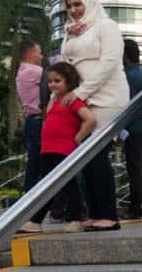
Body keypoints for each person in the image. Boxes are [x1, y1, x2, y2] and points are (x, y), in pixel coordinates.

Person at [61, 0, 130, 232]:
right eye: (69, 6)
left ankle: (109, 215)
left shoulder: (105, 26)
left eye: (77, 4)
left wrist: (80, 92)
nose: (73, 10)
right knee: (84, 158)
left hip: (107, 98)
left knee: (96, 155)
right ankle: (94, 213)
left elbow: (110, 62)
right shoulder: (70, 32)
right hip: (82, 100)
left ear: (88, 3)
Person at [19, 62, 97, 234]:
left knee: (68, 185)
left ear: (68, 82)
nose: (52, 84)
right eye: (50, 81)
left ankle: (75, 219)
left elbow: (90, 119)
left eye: (57, 80)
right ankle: (36, 221)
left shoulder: (73, 101)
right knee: (46, 185)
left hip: (64, 149)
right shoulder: (53, 101)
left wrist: (78, 138)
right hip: (48, 149)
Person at [121, 39, 142, 220]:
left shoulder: (128, 76)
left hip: (133, 127)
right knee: (138, 166)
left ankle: (135, 208)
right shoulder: (140, 74)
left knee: (133, 167)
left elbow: (126, 106)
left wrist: (120, 131)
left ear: (123, 55)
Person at [15, 40, 44, 193]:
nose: (42, 56)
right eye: (39, 52)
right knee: (40, 163)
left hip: (32, 121)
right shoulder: (34, 71)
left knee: (34, 163)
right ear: (30, 53)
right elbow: (61, 81)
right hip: (39, 121)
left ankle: (29, 201)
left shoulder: (22, 71)